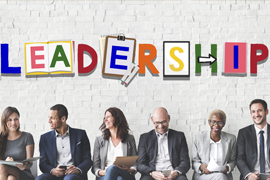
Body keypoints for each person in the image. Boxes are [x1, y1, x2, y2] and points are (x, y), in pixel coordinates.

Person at [36, 104, 92, 180]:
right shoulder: (44, 138)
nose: (49, 121)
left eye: (52, 118)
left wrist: (78, 169)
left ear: (63, 118)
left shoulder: (80, 134)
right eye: (49, 118)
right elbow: (43, 163)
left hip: (74, 175)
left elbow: (87, 159)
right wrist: (53, 171)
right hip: (55, 175)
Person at [137, 107, 190, 180]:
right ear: (152, 120)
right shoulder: (145, 138)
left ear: (169, 118)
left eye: (164, 122)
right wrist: (152, 173)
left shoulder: (179, 136)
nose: (161, 126)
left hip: (174, 173)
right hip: (152, 174)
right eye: (157, 122)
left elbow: (185, 161)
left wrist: (176, 172)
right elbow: (140, 164)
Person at [92, 107, 137, 180]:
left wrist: (130, 170)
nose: (105, 120)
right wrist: (105, 172)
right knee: (118, 178)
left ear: (117, 119)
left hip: (125, 174)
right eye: (104, 118)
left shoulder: (130, 139)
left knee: (115, 171)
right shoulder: (99, 140)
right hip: (104, 175)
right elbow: (95, 167)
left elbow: (135, 163)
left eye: (108, 117)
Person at [192, 109, 236, 180]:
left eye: (220, 122)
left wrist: (227, 168)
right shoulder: (198, 138)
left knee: (221, 176)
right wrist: (201, 167)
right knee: (221, 177)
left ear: (224, 124)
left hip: (223, 175)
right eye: (213, 122)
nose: (216, 125)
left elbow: (233, 161)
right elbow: (195, 161)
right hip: (203, 175)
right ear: (209, 122)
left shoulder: (231, 139)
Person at [236, 99, 270, 180]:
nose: (256, 114)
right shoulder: (243, 133)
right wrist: (249, 174)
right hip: (251, 175)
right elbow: (239, 158)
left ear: (267, 111)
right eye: (253, 112)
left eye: (259, 111)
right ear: (251, 114)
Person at [0, 106, 35, 180]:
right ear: (5, 122)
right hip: (7, 173)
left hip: (24, 173)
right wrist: (6, 162)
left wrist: (24, 165)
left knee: (2, 167)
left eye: (16, 119)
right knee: (11, 178)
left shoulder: (27, 137)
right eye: (10, 120)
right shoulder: (1, 137)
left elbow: (30, 163)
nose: (13, 123)